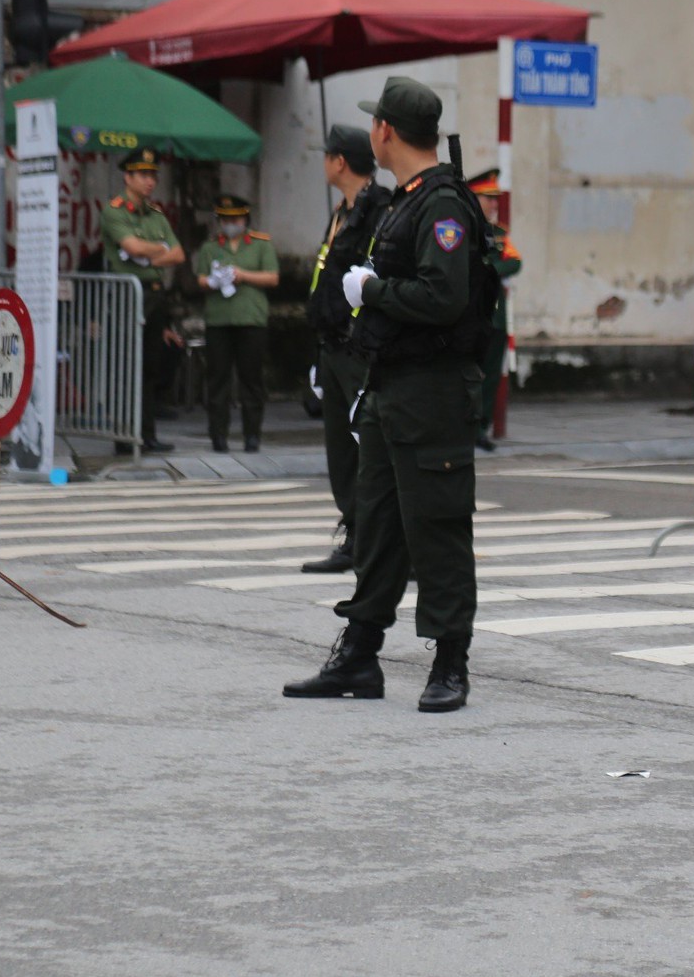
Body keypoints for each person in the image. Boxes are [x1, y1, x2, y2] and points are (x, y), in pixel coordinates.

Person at [283, 77, 497, 714]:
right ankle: (360, 653)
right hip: (391, 386)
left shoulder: (443, 206)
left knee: (437, 527)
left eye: (376, 122)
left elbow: (445, 297)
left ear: (385, 131)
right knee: (375, 526)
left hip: (432, 391)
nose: (372, 129)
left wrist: (371, 291)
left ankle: (451, 661)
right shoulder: (407, 200)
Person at [301, 124, 391, 574]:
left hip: (360, 350)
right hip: (332, 345)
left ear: (340, 161)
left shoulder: (379, 208)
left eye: (327, 155)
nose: (324, 163)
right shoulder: (341, 211)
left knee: (372, 446)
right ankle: (355, 535)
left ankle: (388, 542)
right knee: (340, 446)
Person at [100, 148, 185, 454]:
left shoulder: (157, 215)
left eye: (153, 176)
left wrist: (147, 254)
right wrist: (155, 250)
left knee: (151, 367)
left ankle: (147, 434)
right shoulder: (115, 211)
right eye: (144, 175)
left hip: (153, 296)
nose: (150, 182)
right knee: (126, 366)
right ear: (128, 177)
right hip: (126, 296)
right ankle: (125, 436)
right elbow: (130, 245)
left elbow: (177, 254)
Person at [192, 194, 279, 453]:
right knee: (217, 379)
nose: (231, 223)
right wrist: (213, 281)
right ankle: (218, 435)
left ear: (246, 219)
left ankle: (252, 435)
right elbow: (200, 279)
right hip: (219, 320)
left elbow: (272, 278)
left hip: (250, 320)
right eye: (226, 219)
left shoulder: (260, 244)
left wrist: (242, 275)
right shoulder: (210, 247)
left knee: (251, 380)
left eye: (236, 218)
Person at [466, 168, 523, 452]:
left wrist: (487, 270)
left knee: (489, 376)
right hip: (468, 315)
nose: (493, 204)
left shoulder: (498, 233)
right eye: (487, 198)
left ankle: (481, 427)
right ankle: (464, 425)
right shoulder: (460, 229)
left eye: (494, 198)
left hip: (495, 315)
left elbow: (514, 261)